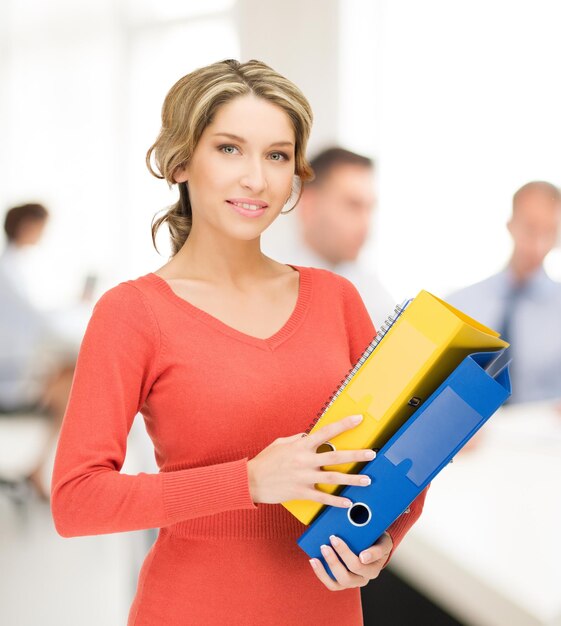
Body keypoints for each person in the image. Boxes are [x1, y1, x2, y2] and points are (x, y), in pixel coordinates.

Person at [50, 59, 427, 625]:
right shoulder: (132, 313)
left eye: (276, 155)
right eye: (229, 148)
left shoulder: (335, 298)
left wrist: (382, 542)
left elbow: (402, 452)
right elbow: (77, 500)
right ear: (180, 162)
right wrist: (246, 480)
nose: (257, 178)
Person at [447, 181, 561, 405]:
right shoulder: (460, 305)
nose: (538, 244)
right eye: (530, 228)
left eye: (550, 232)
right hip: (475, 433)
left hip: (545, 435)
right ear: (511, 225)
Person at [0, 203, 76, 500]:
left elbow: (34, 317)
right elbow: (35, 321)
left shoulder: (14, 266)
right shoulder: (7, 270)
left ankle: (40, 467)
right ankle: (41, 469)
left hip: (18, 363)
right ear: (27, 226)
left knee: (71, 381)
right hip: (10, 371)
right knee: (71, 384)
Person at [287, 147, 396, 329]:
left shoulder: (375, 296)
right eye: (353, 205)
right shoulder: (266, 288)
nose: (365, 224)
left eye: (369, 208)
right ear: (308, 205)